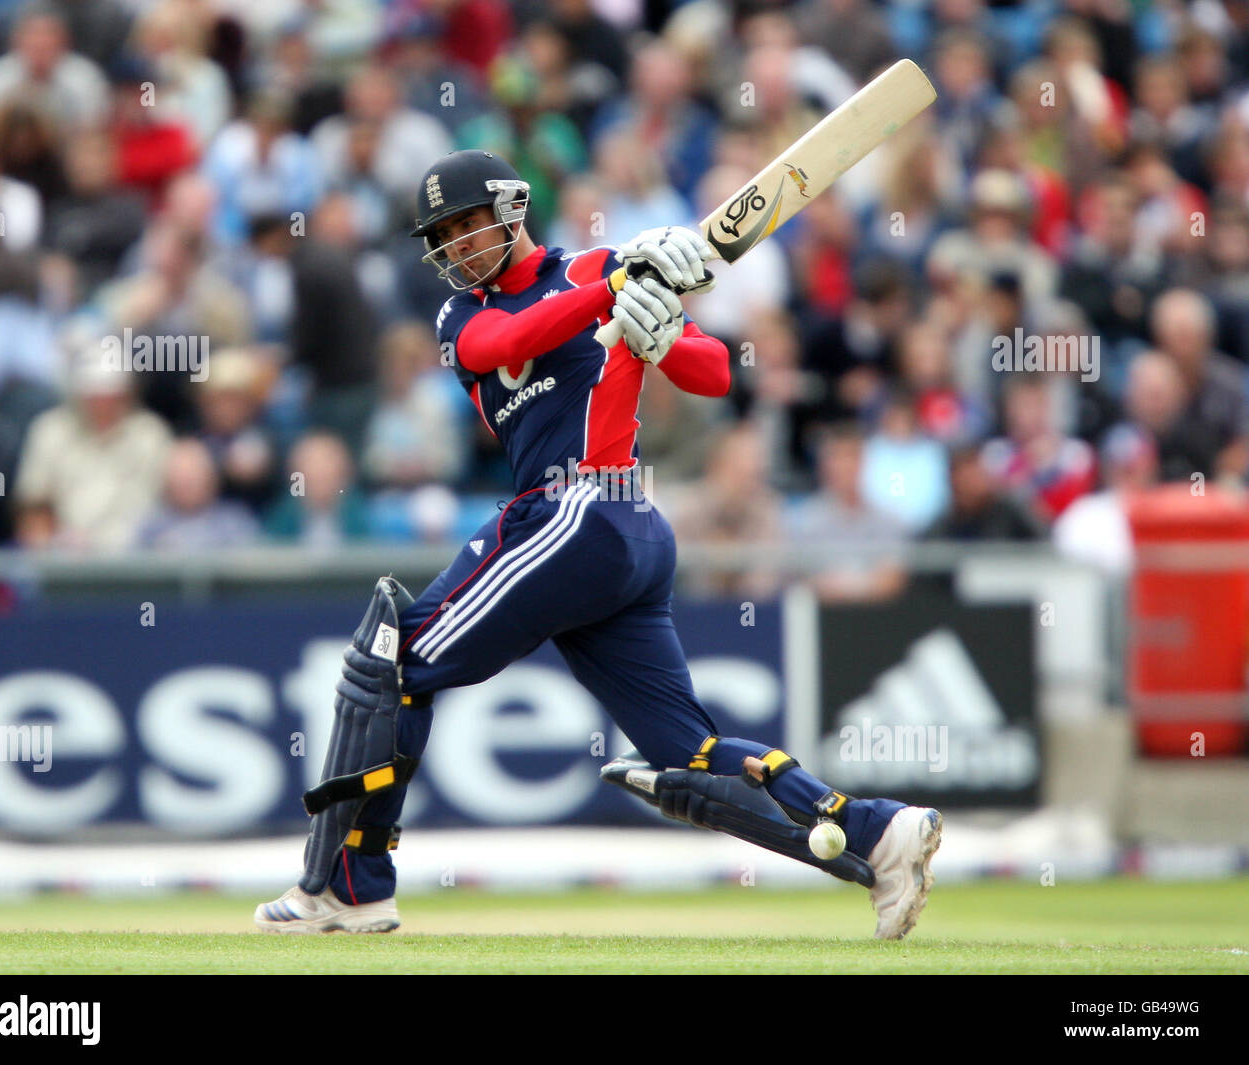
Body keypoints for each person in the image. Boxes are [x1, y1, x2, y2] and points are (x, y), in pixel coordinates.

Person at [256, 150, 942, 938]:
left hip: (586, 507)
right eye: (441, 235)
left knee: (396, 663)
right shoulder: (467, 314)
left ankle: (350, 887)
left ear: (513, 210)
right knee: (686, 751)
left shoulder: (598, 265)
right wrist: (610, 294)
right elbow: (503, 341)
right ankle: (876, 833)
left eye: (467, 223)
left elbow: (715, 372)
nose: (456, 245)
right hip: (602, 532)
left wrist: (659, 339)